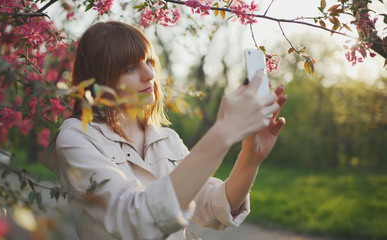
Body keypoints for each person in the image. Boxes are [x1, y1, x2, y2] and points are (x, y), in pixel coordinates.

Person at [41, 21, 287, 240]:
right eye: (129, 68)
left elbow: (213, 207)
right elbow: (134, 221)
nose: (149, 75)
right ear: (99, 80)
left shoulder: (166, 138)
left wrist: (250, 158)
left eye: (149, 62)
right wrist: (223, 132)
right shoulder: (77, 136)